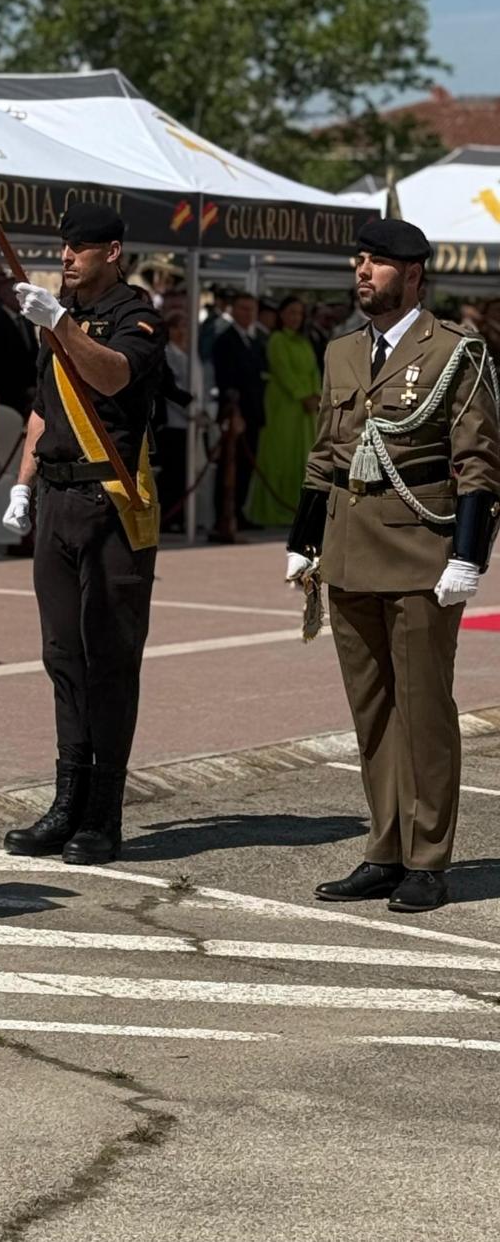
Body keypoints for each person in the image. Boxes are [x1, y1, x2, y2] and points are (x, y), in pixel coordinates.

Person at [287, 218, 500, 914]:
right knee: (372, 713)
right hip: (349, 553)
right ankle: (385, 848)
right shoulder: (343, 351)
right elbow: (325, 455)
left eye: (376, 263)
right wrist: (303, 540)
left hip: (420, 554)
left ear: (413, 274)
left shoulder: (455, 352)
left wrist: (468, 556)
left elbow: (478, 465)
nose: (362, 272)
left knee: (424, 712)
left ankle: (428, 858)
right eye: (359, 261)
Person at [1, 203, 166, 865]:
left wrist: (61, 324)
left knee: (110, 661)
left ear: (112, 251)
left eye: (80, 248)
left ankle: (104, 812)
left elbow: (112, 375)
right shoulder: (56, 319)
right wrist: (21, 483)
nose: (66, 258)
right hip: (57, 499)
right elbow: (44, 410)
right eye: (63, 247)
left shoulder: (136, 313)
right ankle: (66, 800)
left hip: (112, 502)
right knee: (62, 657)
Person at [246, 297, 321, 528]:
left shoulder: (303, 341)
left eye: (299, 313)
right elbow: (282, 370)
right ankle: (273, 511)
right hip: (283, 405)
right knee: (280, 455)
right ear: (282, 315)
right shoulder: (277, 339)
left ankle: (298, 509)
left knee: (302, 456)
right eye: (291, 313)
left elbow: (313, 370)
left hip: (305, 408)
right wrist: (302, 394)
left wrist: (317, 393)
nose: (295, 318)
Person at [211, 291, 266, 533]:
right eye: (243, 308)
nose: (248, 314)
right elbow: (226, 380)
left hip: (252, 412)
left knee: (246, 466)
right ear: (232, 310)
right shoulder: (225, 339)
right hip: (234, 413)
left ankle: (240, 511)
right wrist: (233, 412)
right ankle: (224, 515)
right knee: (230, 466)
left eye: (252, 309)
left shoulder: (254, 340)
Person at [156, 295, 194, 531]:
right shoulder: (168, 353)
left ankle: (181, 517)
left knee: (183, 474)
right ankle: (170, 518)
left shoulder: (189, 354)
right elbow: (172, 389)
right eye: (179, 327)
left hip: (191, 423)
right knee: (172, 473)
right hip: (174, 422)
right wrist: (190, 408)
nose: (183, 332)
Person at [0, 264, 38, 415]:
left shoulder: (26, 321)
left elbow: (31, 353)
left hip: (28, 390)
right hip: (7, 389)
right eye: (18, 294)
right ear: (5, 295)